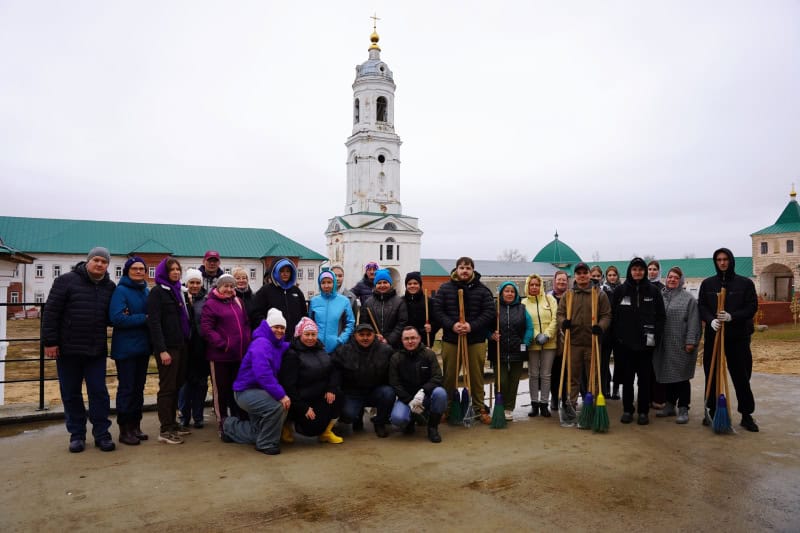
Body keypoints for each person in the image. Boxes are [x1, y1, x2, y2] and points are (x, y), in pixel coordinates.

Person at [42, 246, 117, 453]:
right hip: (68, 350)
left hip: (95, 350)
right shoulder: (66, 281)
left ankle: (102, 434)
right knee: (71, 393)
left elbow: (109, 316)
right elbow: (51, 312)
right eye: (97, 260)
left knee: (99, 393)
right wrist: (50, 342)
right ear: (88, 261)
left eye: (104, 262)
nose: (100, 264)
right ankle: (77, 435)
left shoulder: (109, 286)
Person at [698, 248, 759, 432]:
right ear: (715, 262)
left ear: (731, 260)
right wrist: (711, 320)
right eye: (719, 259)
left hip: (738, 336)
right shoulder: (708, 284)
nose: (722, 262)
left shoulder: (745, 283)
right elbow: (701, 305)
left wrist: (733, 316)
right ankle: (714, 409)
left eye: (725, 259)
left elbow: (752, 307)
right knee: (713, 372)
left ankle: (746, 414)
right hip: (714, 335)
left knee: (741, 375)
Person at [431, 257, 495, 424]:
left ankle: (479, 408)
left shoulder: (482, 290)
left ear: (472, 270)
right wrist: (452, 325)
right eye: (461, 268)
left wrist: (471, 326)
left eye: (468, 268)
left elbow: (489, 312)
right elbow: (437, 311)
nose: (465, 271)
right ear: (456, 270)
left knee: (476, 376)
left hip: (476, 339)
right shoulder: (445, 288)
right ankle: (447, 408)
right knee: (449, 376)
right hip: (451, 339)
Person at [222, 309, 291, 455]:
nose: (279, 330)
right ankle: (266, 443)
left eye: (282, 328)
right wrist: (281, 395)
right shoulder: (261, 344)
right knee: (278, 406)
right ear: (268, 327)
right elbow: (263, 374)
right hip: (246, 392)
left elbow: (288, 346)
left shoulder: (276, 344)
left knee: (257, 432)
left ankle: (230, 428)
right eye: (276, 327)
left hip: (260, 391)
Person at [610, 257, 666, 425]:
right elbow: (613, 316)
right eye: (634, 269)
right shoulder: (620, 291)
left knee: (644, 381)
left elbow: (661, 317)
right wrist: (617, 338)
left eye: (640, 269)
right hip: (625, 345)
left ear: (644, 271)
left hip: (646, 346)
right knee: (627, 380)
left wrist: (655, 335)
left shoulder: (653, 292)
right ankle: (628, 410)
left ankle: (643, 412)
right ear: (630, 271)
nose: (638, 272)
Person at [557, 262, 611, 416]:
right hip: (573, 342)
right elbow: (560, 314)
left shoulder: (599, 294)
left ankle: (591, 405)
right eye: (578, 273)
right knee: (572, 377)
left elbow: (607, 315)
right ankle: (571, 405)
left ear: (589, 274)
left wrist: (600, 326)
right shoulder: (568, 295)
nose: (582, 276)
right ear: (575, 276)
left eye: (584, 273)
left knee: (592, 377)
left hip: (592, 342)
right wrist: (563, 322)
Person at [148, 257, 192, 444]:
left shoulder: (178, 291)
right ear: (163, 273)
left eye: (177, 269)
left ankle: (173, 423)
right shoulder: (158, 292)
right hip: (168, 348)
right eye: (171, 270)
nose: (175, 272)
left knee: (176, 385)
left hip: (181, 345)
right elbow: (154, 323)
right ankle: (165, 429)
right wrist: (162, 350)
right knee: (167, 387)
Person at [279, 317, 343, 444]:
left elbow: (333, 370)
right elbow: (288, 385)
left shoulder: (321, 349)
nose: (310, 338)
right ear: (299, 334)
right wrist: (303, 407)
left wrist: (331, 388)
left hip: (319, 395)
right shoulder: (292, 354)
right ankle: (287, 425)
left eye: (313, 334)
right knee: (311, 429)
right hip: (301, 400)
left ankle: (326, 432)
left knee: (338, 395)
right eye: (306, 334)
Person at [201, 273, 251, 436]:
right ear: (218, 287)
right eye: (226, 286)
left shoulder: (238, 301)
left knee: (237, 388)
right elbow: (207, 329)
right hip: (220, 356)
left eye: (232, 286)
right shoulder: (211, 304)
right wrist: (223, 344)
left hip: (239, 355)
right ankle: (222, 420)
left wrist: (248, 342)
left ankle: (237, 418)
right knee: (221, 390)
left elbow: (245, 324)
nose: (229, 289)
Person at [109, 256, 151, 446]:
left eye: (142, 269)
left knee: (139, 389)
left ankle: (136, 425)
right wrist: (144, 318)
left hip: (142, 347)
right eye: (134, 269)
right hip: (125, 349)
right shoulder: (121, 291)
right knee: (127, 389)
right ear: (127, 271)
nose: (139, 271)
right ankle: (124, 429)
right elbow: (117, 318)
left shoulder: (145, 291)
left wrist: (134, 316)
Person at [653, 267, 701, 424]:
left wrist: (691, 341)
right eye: (670, 277)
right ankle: (669, 405)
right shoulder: (661, 296)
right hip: (664, 344)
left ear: (681, 280)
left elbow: (694, 322)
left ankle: (683, 407)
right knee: (667, 375)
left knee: (682, 377)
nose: (672, 280)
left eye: (675, 277)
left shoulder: (688, 299)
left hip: (681, 344)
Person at [331, 323, 395, 437]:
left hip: (375, 391)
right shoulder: (344, 350)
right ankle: (356, 417)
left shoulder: (385, 350)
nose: (365, 338)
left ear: (374, 335)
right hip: (352, 393)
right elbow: (335, 372)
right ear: (355, 336)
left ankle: (379, 422)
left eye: (368, 335)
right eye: (361, 335)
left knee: (389, 393)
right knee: (348, 414)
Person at [389, 326, 446, 443]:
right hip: (406, 398)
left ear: (419, 338)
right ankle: (411, 420)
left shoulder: (429, 354)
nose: (410, 341)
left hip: (425, 396)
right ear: (402, 340)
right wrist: (409, 400)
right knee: (397, 418)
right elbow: (395, 383)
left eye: (413, 338)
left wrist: (423, 391)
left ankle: (432, 427)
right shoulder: (396, 358)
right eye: (406, 338)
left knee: (440, 393)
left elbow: (437, 377)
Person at [488, 282, 533, 421]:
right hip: (498, 350)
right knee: (501, 381)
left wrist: (525, 342)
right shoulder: (494, 308)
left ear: (516, 294)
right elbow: (485, 326)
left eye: (512, 291)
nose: (509, 293)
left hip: (517, 350)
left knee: (514, 381)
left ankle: (509, 408)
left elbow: (529, 327)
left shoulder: (522, 308)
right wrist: (490, 335)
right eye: (506, 291)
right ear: (501, 293)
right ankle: (499, 406)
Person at [522, 273, 558, 418]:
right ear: (528, 286)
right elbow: (524, 321)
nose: (535, 287)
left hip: (549, 343)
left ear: (541, 286)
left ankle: (544, 404)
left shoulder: (550, 300)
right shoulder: (523, 303)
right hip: (533, 343)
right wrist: (537, 335)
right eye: (532, 285)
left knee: (546, 374)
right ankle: (534, 404)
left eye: (537, 284)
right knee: (533, 374)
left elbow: (555, 318)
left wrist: (547, 334)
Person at [178, 268, 210, 429]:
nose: (195, 286)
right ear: (187, 283)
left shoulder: (206, 300)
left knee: (201, 383)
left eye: (198, 282)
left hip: (202, 346)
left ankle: (198, 416)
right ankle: (184, 415)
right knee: (185, 384)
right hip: (185, 346)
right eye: (192, 282)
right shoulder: (181, 297)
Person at [249, 257, 307, 335]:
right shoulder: (265, 291)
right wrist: (267, 328)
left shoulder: (296, 291)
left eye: (288, 271)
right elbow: (256, 314)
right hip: (274, 337)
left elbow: (304, 315)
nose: (285, 274)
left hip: (294, 339)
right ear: (275, 272)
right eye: (281, 271)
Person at [358, 269, 408, 349]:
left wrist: (389, 340)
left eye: (385, 282)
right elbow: (364, 323)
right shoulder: (368, 303)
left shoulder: (399, 302)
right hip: (373, 345)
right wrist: (374, 336)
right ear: (375, 285)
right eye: (379, 283)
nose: (382, 285)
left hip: (394, 346)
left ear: (390, 284)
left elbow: (401, 323)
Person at [309, 270, 355, 353]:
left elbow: (350, 323)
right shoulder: (314, 301)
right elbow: (310, 323)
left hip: (337, 347)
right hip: (317, 346)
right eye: (323, 283)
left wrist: (341, 340)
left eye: (329, 282)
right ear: (320, 284)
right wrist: (313, 339)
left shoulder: (344, 301)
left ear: (333, 283)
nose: (326, 285)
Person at [548, 270, 569, 411]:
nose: (561, 282)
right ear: (554, 281)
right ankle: (554, 397)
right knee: (554, 369)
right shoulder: (548, 297)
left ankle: (565, 397)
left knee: (567, 370)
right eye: (559, 280)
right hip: (552, 337)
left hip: (568, 338)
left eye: (564, 280)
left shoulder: (571, 296)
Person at [403, 271, 440, 348]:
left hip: (424, 341)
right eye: (409, 284)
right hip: (405, 342)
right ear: (406, 286)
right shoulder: (401, 301)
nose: (412, 286)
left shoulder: (429, 301)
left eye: (415, 283)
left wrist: (432, 327)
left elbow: (438, 320)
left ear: (420, 285)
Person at [601, 266, 622, 399]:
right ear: (606, 277)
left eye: (614, 275)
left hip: (619, 331)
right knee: (604, 361)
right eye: (610, 275)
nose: (612, 277)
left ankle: (616, 388)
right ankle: (606, 386)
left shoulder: (622, 290)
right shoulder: (603, 291)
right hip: (606, 331)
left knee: (619, 362)